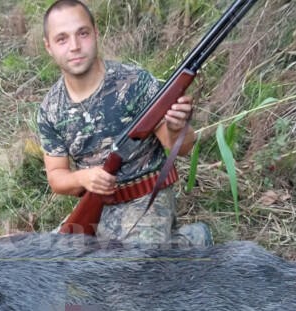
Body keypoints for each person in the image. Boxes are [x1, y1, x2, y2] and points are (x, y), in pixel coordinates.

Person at [36, 0, 211, 246]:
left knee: (132, 274)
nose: (74, 46)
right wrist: (83, 178)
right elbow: (57, 177)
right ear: (49, 47)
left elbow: (182, 148)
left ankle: (191, 240)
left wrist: (175, 126)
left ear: (95, 33)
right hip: (99, 206)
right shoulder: (50, 109)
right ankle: (180, 245)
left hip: (146, 197)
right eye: (62, 39)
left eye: (82, 33)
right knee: (52, 264)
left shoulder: (135, 83)